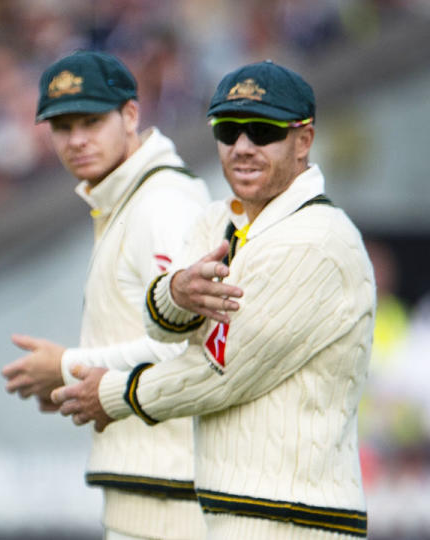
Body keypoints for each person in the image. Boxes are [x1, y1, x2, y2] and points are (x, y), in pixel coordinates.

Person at [52, 60, 374, 539]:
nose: (242, 147)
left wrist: (113, 393)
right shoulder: (217, 221)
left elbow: (225, 373)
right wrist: (176, 291)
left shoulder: (317, 241)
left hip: (295, 521)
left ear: (303, 140)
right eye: (228, 129)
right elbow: (163, 328)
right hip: (234, 514)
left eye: (262, 131)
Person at [1, 50, 210, 539]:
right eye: (61, 126)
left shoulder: (162, 204)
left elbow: (189, 348)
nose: (76, 140)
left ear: (131, 114)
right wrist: (76, 383)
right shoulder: (128, 199)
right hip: (150, 488)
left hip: (172, 493)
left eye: (91, 121)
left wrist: (69, 365)